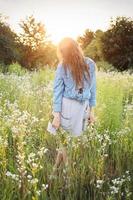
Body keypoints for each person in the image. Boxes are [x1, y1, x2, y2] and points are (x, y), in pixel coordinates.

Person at [51, 37, 97, 171]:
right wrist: (57, 115)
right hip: (72, 107)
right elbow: (58, 91)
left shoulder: (89, 64)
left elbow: (93, 88)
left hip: (75, 107)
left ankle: (59, 172)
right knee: (64, 142)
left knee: (64, 142)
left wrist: (91, 112)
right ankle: (65, 174)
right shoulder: (64, 66)